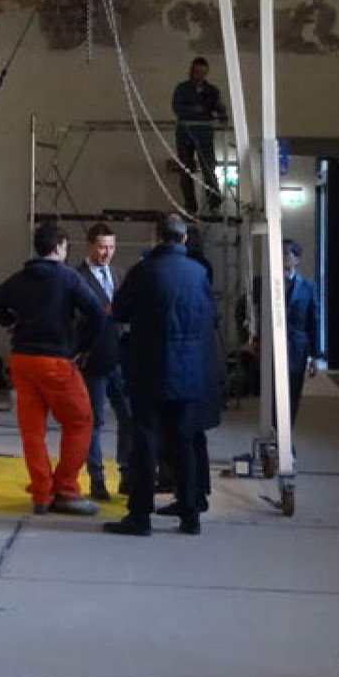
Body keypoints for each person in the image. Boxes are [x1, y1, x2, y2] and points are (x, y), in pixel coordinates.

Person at [104, 215, 221, 537]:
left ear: (156, 237)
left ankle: (140, 516)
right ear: (183, 239)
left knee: (145, 441)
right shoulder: (198, 273)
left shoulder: (144, 271)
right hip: (188, 371)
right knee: (184, 442)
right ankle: (190, 515)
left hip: (149, 369)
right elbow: (211, 317)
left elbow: (119, 311)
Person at [0, 223, 106, 516]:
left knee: (32, 431)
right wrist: (81, 348)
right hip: (56, 361)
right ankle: (65, 489)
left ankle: (41, 494)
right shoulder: (68, 278)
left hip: (22, 361)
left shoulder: (21, 278)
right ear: (59, 247)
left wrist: (12, 323)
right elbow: (97, 315)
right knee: (80, 422)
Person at [73, 222, 131, 502]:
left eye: (111, 247)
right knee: (93, 421)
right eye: (101, 247)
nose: (107, 253)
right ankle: (96, 478)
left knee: (128, 416)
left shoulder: (119, 274)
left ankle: (127, 472)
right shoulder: (77, 278)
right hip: (93, 360)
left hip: (120, 359)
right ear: (89, 246)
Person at [171, 57, 227, 216]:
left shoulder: (212, 91)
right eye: (196, 72)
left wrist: (222, 113)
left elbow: (219, 110)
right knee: (186, 170)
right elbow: (177, 108)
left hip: (204, 133)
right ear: (191, 71)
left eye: (202, 73)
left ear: (206, 73)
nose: (199, 76)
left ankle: (214, 204)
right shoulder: (182, 89)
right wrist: (196, 111)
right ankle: (190, 206)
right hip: (185, 133)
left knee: (209, 168)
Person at [282, 239, 321, 425]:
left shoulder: (308, 287)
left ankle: (287, 431)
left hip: (296, 347)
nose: (282, 257)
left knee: (293, 391)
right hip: (275, 346)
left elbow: (314, 321)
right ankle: (274, 429)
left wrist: (314, 356)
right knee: (273, 391)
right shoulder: (270, 284)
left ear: (296, 259)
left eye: (286, 253)